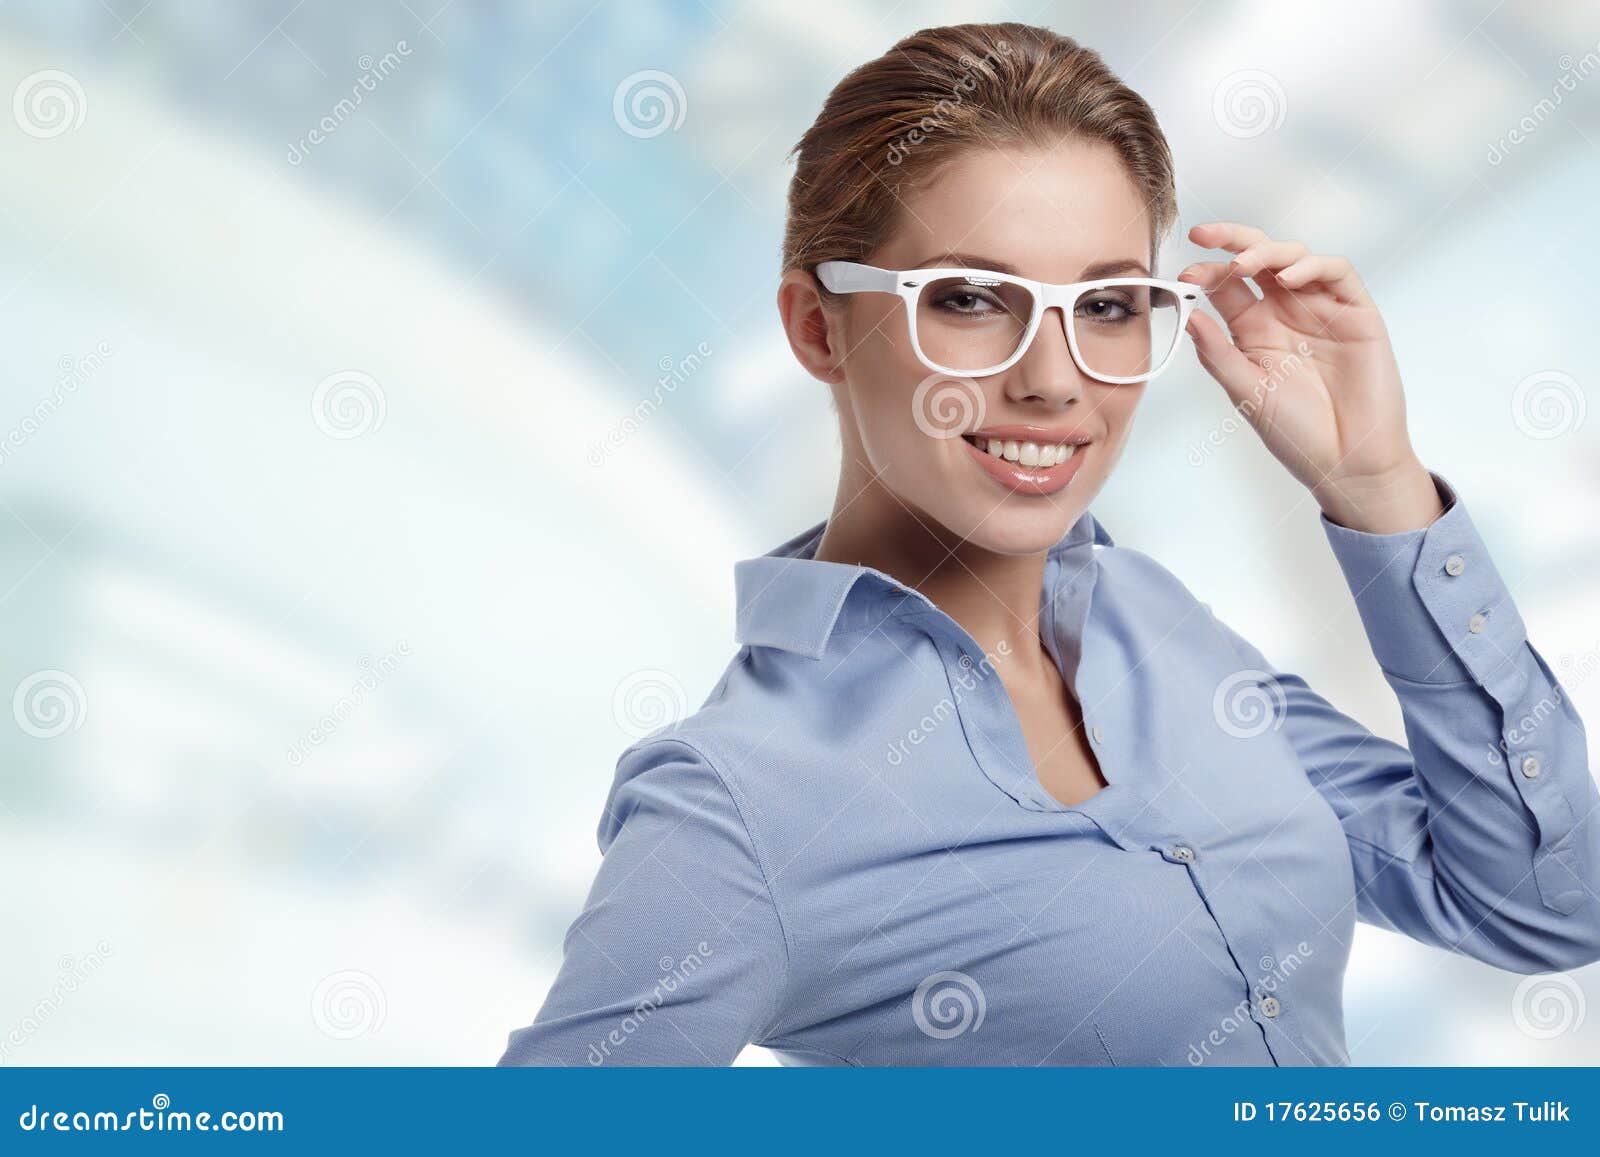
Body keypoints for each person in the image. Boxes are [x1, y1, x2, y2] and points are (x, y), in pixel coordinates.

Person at [499, 21, 1600, 1067]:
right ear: (815, 326)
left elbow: (1539, 904)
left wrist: (1381, 491)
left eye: (1109, 304)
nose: (1051, 380)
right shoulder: (735, 807)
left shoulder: (1157, 622)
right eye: (971, 298)